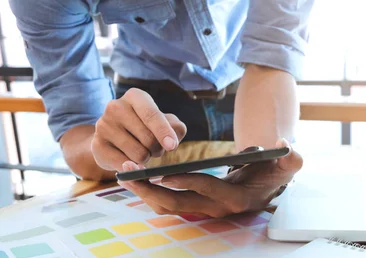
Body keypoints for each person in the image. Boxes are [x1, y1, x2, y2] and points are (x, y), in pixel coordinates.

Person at [10, 0, 312, 218]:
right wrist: (103, 148)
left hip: (253, 93)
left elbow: (273, 52)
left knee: (259, 223)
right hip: (142, 107)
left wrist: (260, 175)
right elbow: (78, 126)